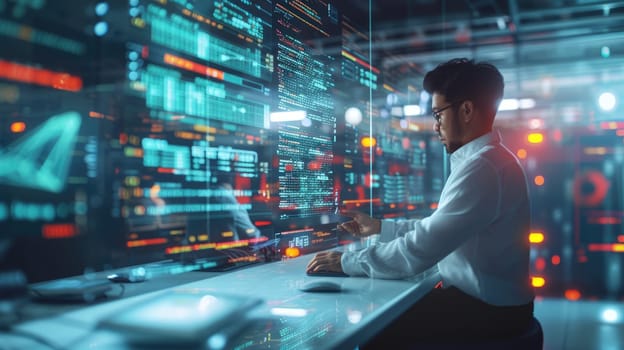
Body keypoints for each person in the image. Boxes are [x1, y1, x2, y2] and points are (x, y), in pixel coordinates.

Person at [306, 58, 535, 346]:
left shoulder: (483, 168)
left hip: (488, 313)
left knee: (374, 331)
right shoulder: (491, 160)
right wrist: (380, 227)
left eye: (438, 114)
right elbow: (437, 228)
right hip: (496, 307)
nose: (435, 126)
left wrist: (347, 262)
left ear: (466, 110)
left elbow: (420, 249)